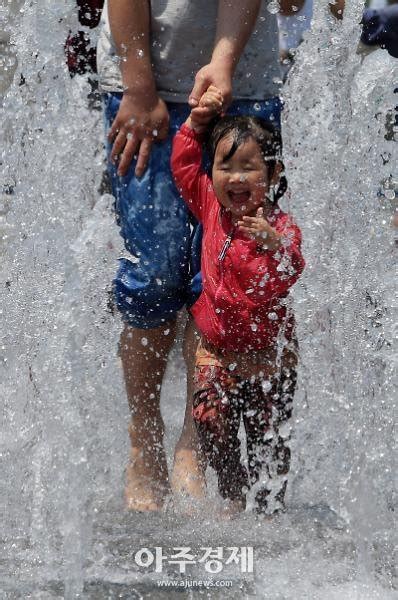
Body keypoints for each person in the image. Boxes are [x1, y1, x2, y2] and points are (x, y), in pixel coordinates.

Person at [97, 0, 305, 512]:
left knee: (222, 270)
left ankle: (194, 439)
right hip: (147, 82)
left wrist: (226, 61)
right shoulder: (142, 84)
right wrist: (139, 84)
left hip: (245, 84)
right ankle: (144, 435)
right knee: (153, 274)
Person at [171, 86, 305, 515]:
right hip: (217, 350)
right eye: (225, 167)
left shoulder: (281, 226)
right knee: (209, 416)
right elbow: (183, 164)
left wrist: (274, 244)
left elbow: (293, 267)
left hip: (269, 356)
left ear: (273, 172)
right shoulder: (210, 205)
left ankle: (270, 514)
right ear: (211, 175)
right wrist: (194, 125)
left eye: (249, 168)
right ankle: (232, 493)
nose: (236, 178)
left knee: (269, 442)